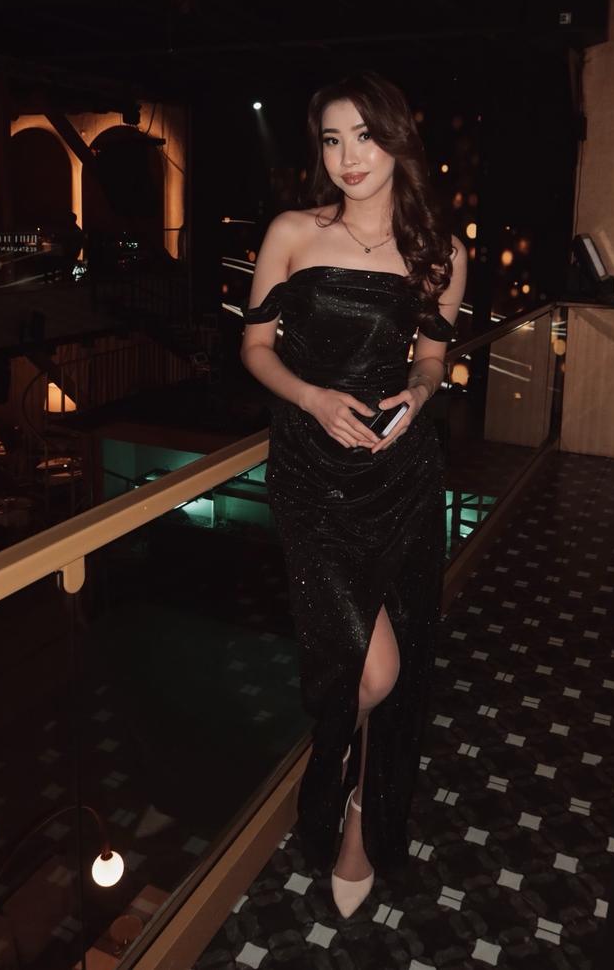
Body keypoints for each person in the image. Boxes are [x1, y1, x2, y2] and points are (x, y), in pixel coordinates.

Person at [241, 71, 467, 917]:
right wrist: (313, 398)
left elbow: (434, 359)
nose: (348, 157)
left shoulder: (440, 252)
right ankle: (334, 760)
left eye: (364, 136)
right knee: (373, 669)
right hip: (311, 472)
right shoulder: (294, 231)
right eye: (333, 140)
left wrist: (418, 392)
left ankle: (361, 824)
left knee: (395, 668)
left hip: (400, 474)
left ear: (397, 139)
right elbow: (255, 348)